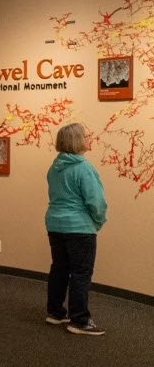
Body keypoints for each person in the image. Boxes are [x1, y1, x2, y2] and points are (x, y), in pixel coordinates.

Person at [44, 123, 107, 336]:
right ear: (76, 140)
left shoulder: (54, 168)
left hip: (55, 224)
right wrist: (98, 222)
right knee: (81, 273)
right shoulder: (84, 168)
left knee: (59, 268)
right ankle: (79, 320)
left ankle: (55, 313)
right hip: (79, 228)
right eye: (85, 136)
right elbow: (96, 202)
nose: (89, 139)